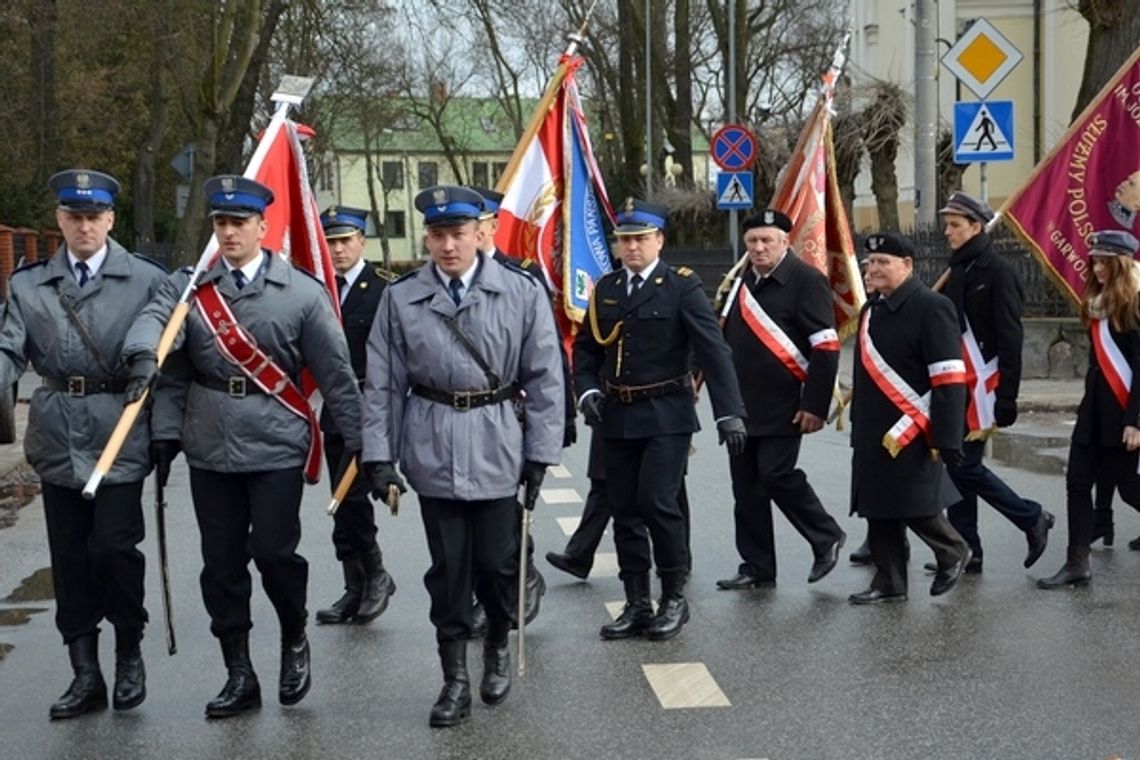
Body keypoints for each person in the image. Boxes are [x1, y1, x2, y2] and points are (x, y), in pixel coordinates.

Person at [122, 176, 363, 717]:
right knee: (221, 565)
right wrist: (161, 421)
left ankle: (293, 636)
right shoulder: (191, 289)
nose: (228, 232)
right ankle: (239, 671)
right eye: (220, 223)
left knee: (274, 553)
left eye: (238, 223)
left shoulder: (300, 291)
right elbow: (169, 354)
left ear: (262, 226)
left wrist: (359, 441)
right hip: (210, 443)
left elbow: (336, 373)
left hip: (277, 439)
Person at [360, 185, 563, 727]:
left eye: (458, 234)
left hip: (498, 442)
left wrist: (541, 454)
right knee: (449, 571)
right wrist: (379, 457)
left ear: (481, 233)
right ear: (427, 238)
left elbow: (545, 376)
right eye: (438, 235)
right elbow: (382, 383)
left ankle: (497, 639)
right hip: (433, 443)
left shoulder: (521, 293)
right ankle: (454, 680)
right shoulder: (401, 298)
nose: (448, 245)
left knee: (499, 564)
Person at [0, 169, 168, 719]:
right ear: (59, 220)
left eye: (94, 216)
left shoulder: (144, 279)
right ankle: (84, 673)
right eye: (73, 216)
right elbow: (9, 350)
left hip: (117, 430)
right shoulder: (28, 284)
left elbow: (168, 347)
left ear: (111, 220)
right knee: (69, 559)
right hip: (56, 436)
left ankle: (128, 653)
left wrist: (163, 429)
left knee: (115, 549)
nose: (84, 226)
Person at [573, 197, 747, 640]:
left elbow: (714, 350)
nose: (632, 248)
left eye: (641, 239)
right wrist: (588, 390)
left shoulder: (681, 287)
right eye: (625, 240)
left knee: (657, 502)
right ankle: (636, 602)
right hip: (617, 415)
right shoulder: (607, 289)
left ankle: (673, 596)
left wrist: (729, 412)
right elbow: (587, 351)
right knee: (625, 509)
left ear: (659, 241)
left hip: (666, 413)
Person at [716, 209, 846, 589]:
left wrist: (815, 404)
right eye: (752, 241)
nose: (758, 248)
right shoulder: (741, 281)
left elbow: (826, 347)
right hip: (741, 404)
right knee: (746, 488)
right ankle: (757, 566)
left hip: (786, 404)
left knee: (775, 474)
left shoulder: (807, 281)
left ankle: (826, 536)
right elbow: (721, 335)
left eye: (766, 241)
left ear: (784, 242)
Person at [848, 232, 972, 604]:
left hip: (913, 426)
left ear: (907, 265)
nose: (875, 269)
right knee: (878, 505)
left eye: (884, 262)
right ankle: (889, 581)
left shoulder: (931, 306)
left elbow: (949, 376)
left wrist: (947, 437)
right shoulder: (873, 309)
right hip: (873, 426)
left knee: (913, 501)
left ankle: (952, 550)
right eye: (870, 263)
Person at [932, 192, 1053, 574]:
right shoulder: (956, 268)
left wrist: (1007, 396)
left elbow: (1010, 337)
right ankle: (967, 548)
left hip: (984, 385)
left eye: (954, 225)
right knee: (956, 465)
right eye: (946, 224)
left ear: (976, 226)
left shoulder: (998, 271)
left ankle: (1031, 516)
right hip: (957, 384)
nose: (947, 231)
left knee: (965, 467)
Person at [1038, 230, 1140, 588]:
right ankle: (1077, 561)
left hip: (1125, 412)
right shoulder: (1098, 303)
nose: (1096, 268)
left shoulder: (1135, 303)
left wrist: (1136, 422)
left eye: (1104, 262)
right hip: (1094, 409)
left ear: (1121, 264)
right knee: (1077, 483)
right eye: (1094, 260)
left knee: (1131, 489)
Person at [314, 206, 396, 625]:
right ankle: (355, 584)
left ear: (361, 240)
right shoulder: (319, 289)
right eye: (330, 243)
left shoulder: (384, 289)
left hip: (373, 405)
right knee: (343, 500)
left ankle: (376, 573)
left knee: (354, 495)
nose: (338, 249)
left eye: (345, 240)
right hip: (335, 408)